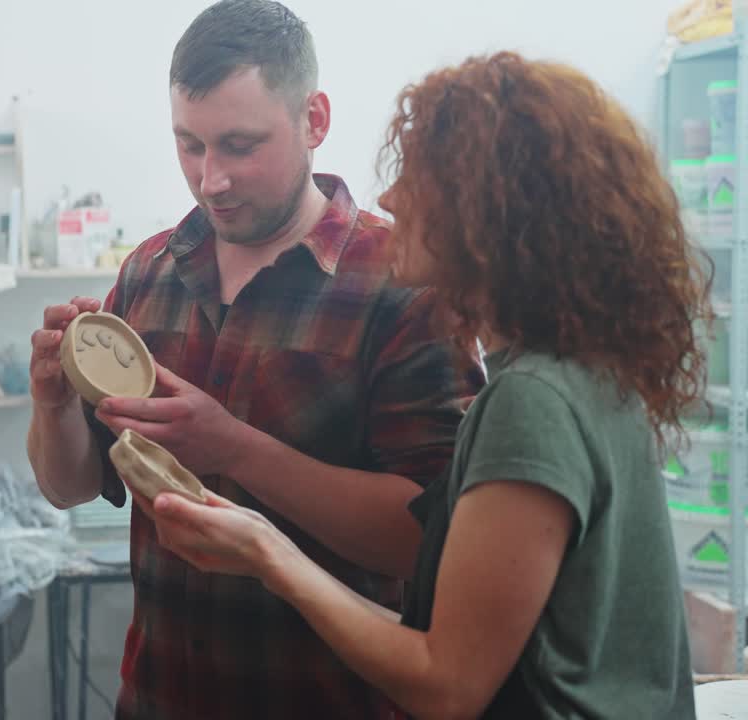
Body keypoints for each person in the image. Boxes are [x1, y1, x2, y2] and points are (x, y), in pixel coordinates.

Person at [146, 52, 706, 719]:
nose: (389, 197)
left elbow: (447, 685)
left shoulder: (533, 402)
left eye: (419, 178)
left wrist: (269, 552)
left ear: (492, 211)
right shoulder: (587, 372)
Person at [27, 1, 483, 716]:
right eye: (190, 145)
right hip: (159, 696)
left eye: (240, 145)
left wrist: (235, 449)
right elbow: (69, 487)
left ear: (315, 121)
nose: (211, 180)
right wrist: (52, 404)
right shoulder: (148, 272)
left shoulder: (404, 284)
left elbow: (434, 540)